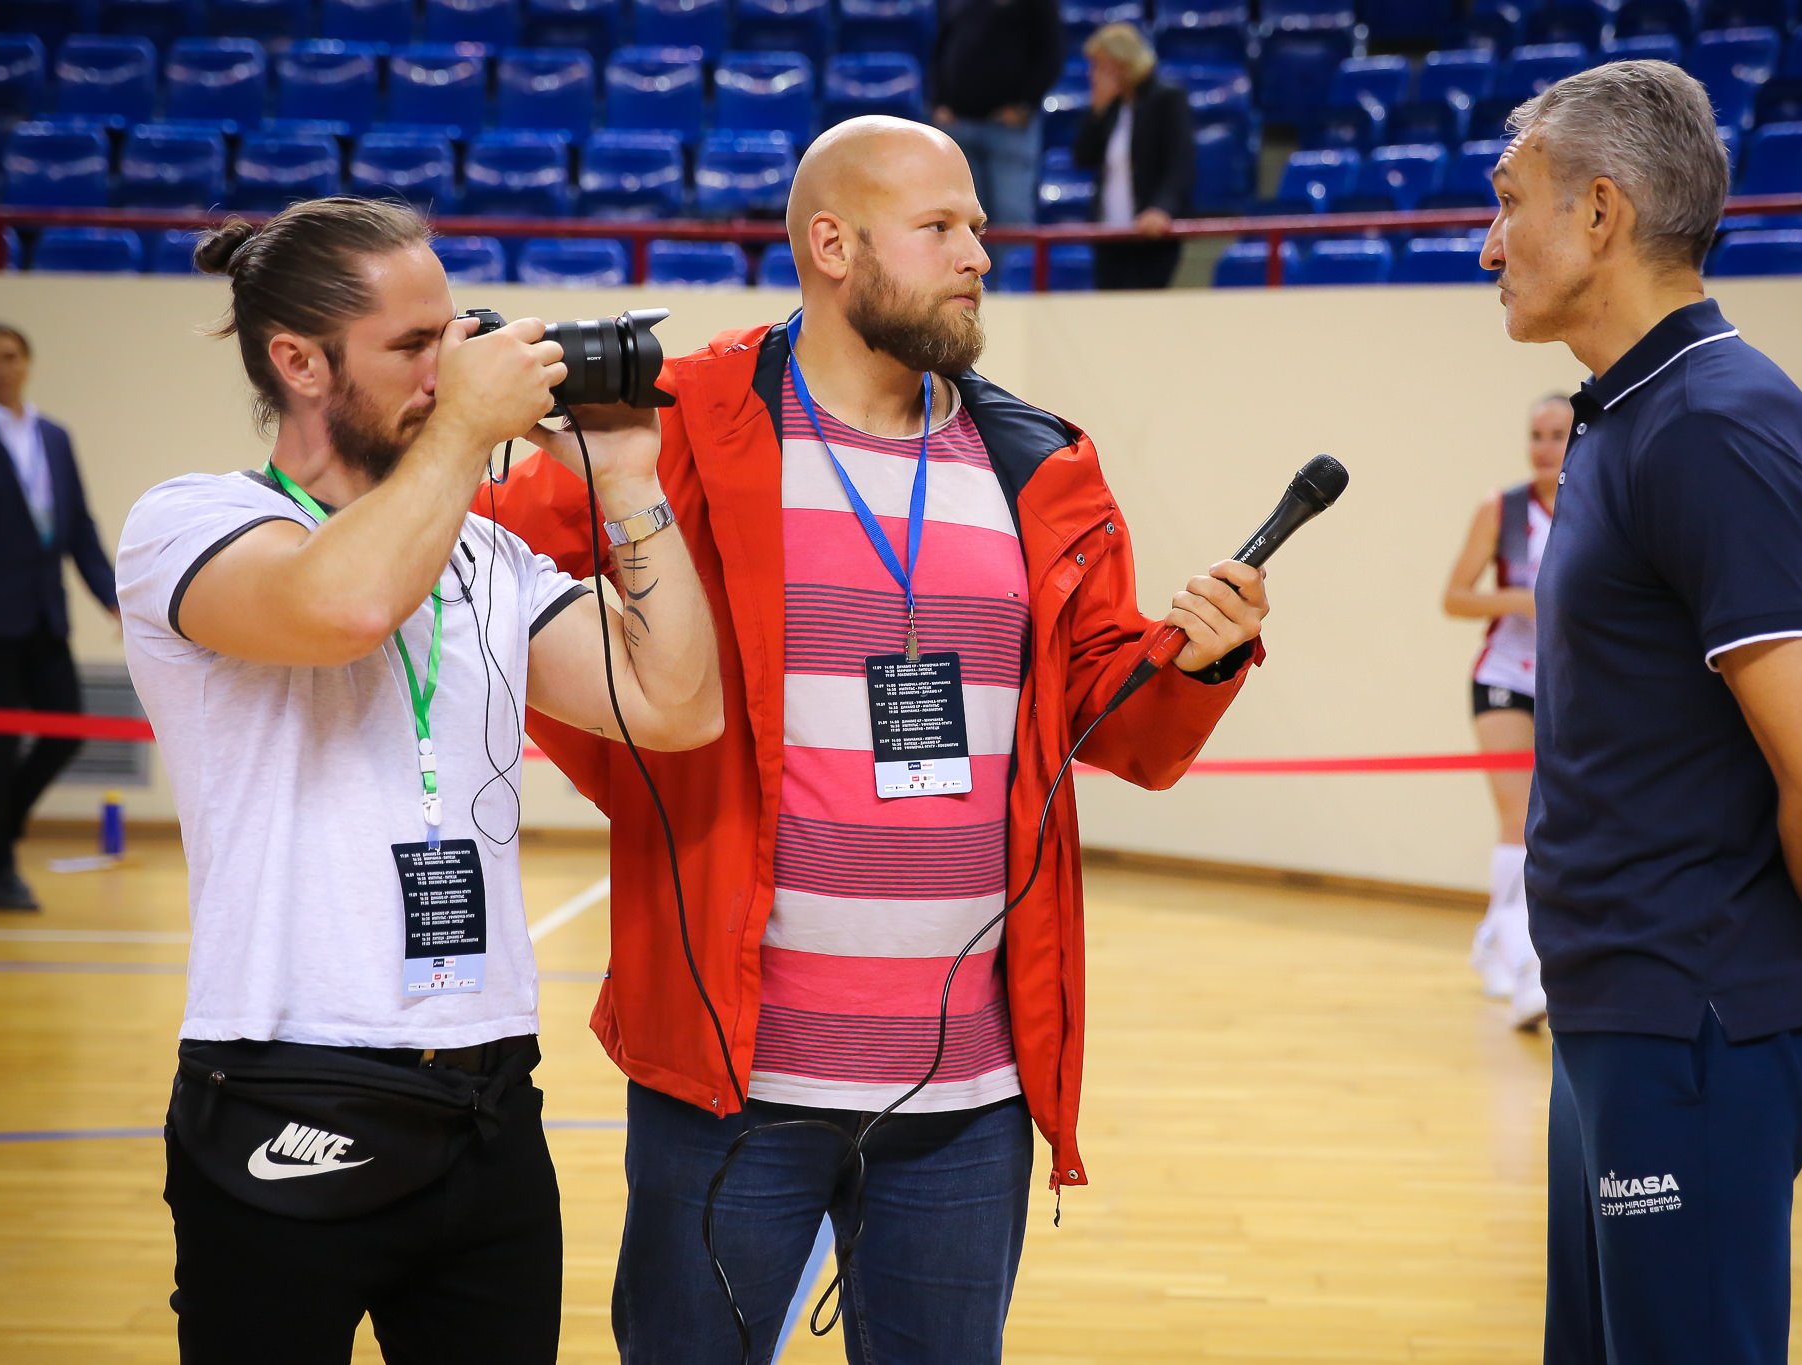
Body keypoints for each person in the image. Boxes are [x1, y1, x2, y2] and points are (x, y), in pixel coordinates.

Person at [483, 116, 1269, 1364]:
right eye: (940, 227)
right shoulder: (681, 419)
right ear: (832, 244)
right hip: (733, 1079)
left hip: (968, 1092)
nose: (978, 255)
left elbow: (1103, 719)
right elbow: (492, 585)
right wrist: (644, 771)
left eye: (978, 228)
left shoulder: (1040, 461)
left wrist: (1199, 660)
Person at [116, 197, 721, 1364]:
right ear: (298, 363)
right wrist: (465, 430)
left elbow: (676, 706)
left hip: (488, 1093)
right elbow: (338, 606)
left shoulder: (487, 556)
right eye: (410, 347)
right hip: (289, 1080)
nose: (448, 373)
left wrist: (627, 480)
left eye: (451, 337)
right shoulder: (192, 521)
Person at [1482, 60, 1802, 1365]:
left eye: (1510, 202)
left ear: (1602, 213)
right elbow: (1726, 759)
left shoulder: (1708, 428)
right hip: (1627, 1007)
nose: (1488, 243)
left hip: (1691, 1023)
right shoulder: (1631, 414)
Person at [1440, 393, 1568, 1029]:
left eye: (1557, 435)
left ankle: (1495, 935)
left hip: (1572, 683)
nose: (1543, 447)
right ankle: (1526, 965)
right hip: (1505, 678)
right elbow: (1455, 597)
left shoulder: (1602, 508)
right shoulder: (1502, 508)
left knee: (1555, 820)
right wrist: (1520, 600)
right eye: (1536, 434)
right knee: (1518, 817)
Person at [0, 322, 119, 911]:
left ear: (28, 362)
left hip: (45, 613)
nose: (1, 368)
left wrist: (114, 598)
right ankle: (0, 869)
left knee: (66, 727)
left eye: (10, 356)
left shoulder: (53, 437)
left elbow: (78, 530)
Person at [1073, 23, 1196, 292]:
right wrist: (1097, 111)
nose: (1093, 75)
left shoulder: (1167, 99)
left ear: (1123, 64)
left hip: (1149, 236)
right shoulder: (1111, 106)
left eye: (1100, 66)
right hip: (1108, 235)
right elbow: (1082, 157)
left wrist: (1162, 209)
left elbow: (1180, 164)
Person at [932, 0, 1063, 228]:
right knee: (961, 220)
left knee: (1011, 219)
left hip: (1008, 130)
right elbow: (942, 44)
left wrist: (1025, 105)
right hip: (958, 126)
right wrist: (939, 102)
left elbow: (1051, 52)